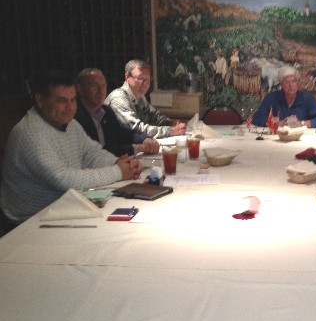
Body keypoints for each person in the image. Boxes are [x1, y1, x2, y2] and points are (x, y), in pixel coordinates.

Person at [0, 70, 142, 225]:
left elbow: (92, 153)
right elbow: (65, 180)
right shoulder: (30, 134)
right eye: (61, 100)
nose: (70, 107)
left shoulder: (68, 123)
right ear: (40, 100)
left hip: (63, 209)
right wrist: (118, 171)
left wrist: (120, 163)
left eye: (73, 100)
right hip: (28, 222)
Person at [74, 68, 160, 157]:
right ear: (79, 88)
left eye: (103, 85)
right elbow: (99, 152)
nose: (101, 91)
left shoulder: (106, 111)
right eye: (94, 85)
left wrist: (146, 139)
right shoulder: (75, 116)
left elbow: (126, 133)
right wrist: (136, 148)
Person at [105, 59, 186, 138]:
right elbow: (137, 129)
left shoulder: (139, 95)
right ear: (127, 77)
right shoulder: (118, 98)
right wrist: (170, 131)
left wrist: (172, 123)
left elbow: (155, 117)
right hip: (117, 149)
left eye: (148, 79)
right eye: (140, 79)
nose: (145, 84)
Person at [252, 65, 316, 128]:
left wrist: (302, 123)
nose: (291, 85)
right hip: (276, 139)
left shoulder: (307, 99)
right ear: (281, 84)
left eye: (294, 81)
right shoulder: (271, 98)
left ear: (298, 83)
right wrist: (276, 123)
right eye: (287, 82)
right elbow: (257, 118)